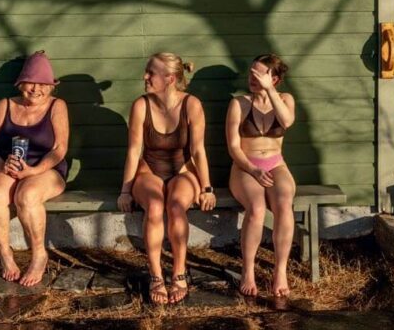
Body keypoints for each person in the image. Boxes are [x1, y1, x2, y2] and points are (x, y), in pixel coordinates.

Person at [117, 52, 216, 304]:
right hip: (148, 171)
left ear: (170, 78)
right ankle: (156, 276)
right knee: (154, 206)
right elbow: (133, 150)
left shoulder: (191, 105)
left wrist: (207, 187)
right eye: (146, 71)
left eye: (151, 73)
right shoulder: (141, 105)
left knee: (176, 206)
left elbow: (197, 151)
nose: (145, 77)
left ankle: (179, 273)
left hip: (182, 171)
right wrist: (126, 190)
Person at [0, 51, 69, 287]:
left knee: (27, 195)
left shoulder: (57, 106)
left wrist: (33, 170)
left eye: (44, 84)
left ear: (51, 87)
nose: (36, 89)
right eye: (31, 82)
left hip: (46, 168)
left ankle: (39, 254)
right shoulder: (5, 105)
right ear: (20, 84)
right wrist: (0, 163)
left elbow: (59, 149)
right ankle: (5, 254)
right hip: (9, 165)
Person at [227, 54, 296, 297]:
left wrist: (270, 92)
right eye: (251, 73)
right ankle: (248, 271)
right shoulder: (239, 104)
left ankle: (280, 270)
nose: (252, 78)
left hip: (276, 164)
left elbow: (286, 122)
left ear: (274, 79)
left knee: (284, 203)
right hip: (246, 166)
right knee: (256, 209)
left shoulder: (286, 99)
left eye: (259, 74)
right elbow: (234, 148)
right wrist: (253, 169)